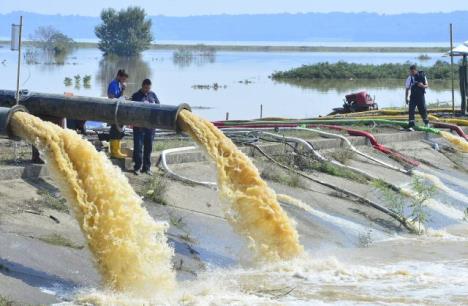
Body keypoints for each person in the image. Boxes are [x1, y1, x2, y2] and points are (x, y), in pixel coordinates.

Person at [131, 79, 160, 175]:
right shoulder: (136, 95)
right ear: (142, 86)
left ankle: (146, 168)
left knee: (148, 148)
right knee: (138, 147)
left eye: (149, 88)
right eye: (146, 88)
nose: (147, 90)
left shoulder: (153, 95)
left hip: (150, 128)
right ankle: (137, 167)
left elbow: (158, 106)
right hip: (139, 126)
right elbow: (131, 110)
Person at [107, 69, 129, 159]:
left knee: (118, 129)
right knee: (115, 130)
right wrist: (120, 97)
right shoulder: (113, 84)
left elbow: (119, 96)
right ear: (119, 76)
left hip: (117, 110)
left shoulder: (119, 84)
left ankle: (116, 150)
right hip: (113, 110)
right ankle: (114, 152)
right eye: (123, 79)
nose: (124, 81)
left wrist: (123, 91)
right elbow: (111, 96)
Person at [405, 64, 429, 131]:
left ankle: (426, 124)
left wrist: (422, 86)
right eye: (410, 72)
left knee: (423, 110)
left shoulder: (422, 76)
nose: (411, 73)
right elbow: (407, 89)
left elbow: (427, 85)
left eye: (412, 71)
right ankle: (411, 125)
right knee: (411, 110)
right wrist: (406, 98)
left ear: (415, 70)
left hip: (421, 96)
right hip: (413, 97)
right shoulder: (409, 78)